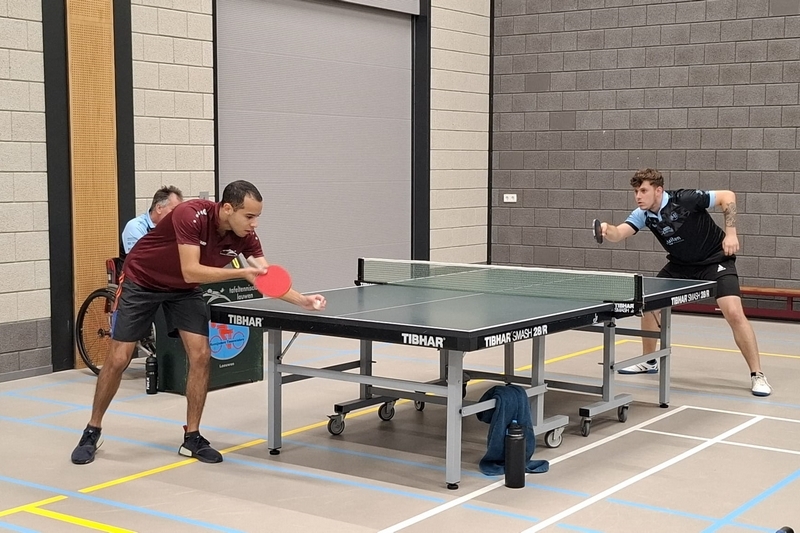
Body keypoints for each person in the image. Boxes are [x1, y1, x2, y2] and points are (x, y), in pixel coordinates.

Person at [71, 180, 327, 465]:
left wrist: (303, 300)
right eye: (249, 216)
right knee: (119, 358)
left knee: (201, 355)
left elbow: (266, 277)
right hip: (142, 280)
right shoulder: (190, 214)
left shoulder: (246, 236)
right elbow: (191, 271)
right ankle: (92, 430)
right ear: (228, 209)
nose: (254, 224)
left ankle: (192, 437)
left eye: (257, 217)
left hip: (182, 291)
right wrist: (240, 273)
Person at [596, 168, 772, 397]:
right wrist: (606, 229)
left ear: (658, 190)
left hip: (714, 261)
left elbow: (727, 196)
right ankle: (649, 361)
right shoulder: (643, 214)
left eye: (643, 190)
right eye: (636, 191)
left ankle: (757, 374)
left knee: (734, 312)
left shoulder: (685, 199)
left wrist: (731, 233)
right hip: (680, 265)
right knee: (648, 303)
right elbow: (619, 233)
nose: (638, 196)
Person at [121, 185, 183, 256]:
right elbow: (139, 258)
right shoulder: (135, 226)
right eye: (174, 210)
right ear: (159, 208)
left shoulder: (173, 227)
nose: (178, 214)